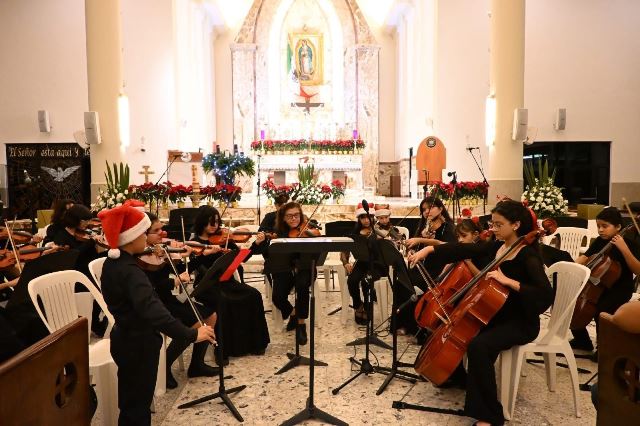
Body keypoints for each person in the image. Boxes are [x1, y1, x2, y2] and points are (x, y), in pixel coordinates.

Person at [408, 200, 553, 426]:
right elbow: (465, 249)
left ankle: (489, 415)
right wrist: (430, 249)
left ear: (515, 225)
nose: (493, 229)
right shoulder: (498, 247)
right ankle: (459, 378)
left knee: (479, 346)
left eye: (498, 225)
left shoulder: (528, 256)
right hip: (496, 314)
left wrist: (509, 281)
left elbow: (545, 294)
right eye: (492, 224)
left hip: (520, 322)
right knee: (461, 330)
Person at [99, 204, 215, 426]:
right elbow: (154, 311)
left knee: (133, 401)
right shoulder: (130, 272)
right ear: (131, 237)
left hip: (127, 337)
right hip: (138, 343)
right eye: (143, 233)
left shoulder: (115, 263)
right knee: (137, 406)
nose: (146, 238)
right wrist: (191, 334)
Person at [142, 212, 219, 389]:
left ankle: (197, 364)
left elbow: (181, 271)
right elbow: (153, 286)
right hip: (155, 303)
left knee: (210, 316)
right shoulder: (139, 257)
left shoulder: (158, 250)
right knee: (197, 324)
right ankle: (165, 365)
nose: (163, 234)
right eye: (156, 230)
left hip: (168, 299)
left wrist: (197, 256)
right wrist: (175, 281)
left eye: (162, 229)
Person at [188, 205, 270, 357]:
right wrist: (204, 254)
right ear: (202, 222)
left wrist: (256, 244)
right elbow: (191, 267)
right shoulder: (195, 242)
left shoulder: (224, 238)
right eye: (210, 222)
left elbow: (242, 257)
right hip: (206, 285)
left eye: (217, 221)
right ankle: (222, 349)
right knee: (222, 301)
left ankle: (256, 343)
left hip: (227, 281)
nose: (215, 225)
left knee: (254, 294)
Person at [570, 207, 640, 352]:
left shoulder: (630, 244)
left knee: (601, 310)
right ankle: (582, 341)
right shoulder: (599, 241)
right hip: (598, 285)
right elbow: (584, 257)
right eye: (598, 226)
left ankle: (604, 348)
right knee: (572, 302)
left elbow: (637, 270)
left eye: (605, 226)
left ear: (618, 227)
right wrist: (570, 266)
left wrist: (623, 248)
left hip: (619, 289)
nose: (600, 230)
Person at [266, 201, 318, 345]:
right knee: (277, 296)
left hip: (306, 267)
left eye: (297, 215)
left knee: (302, 286)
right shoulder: (279, 233)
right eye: (289, 216)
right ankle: (294, 313)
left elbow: (315, 250)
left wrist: (311, 237)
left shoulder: (307, 230)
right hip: (285, 268)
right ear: (283, 218)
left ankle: (301, 325)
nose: (294, 218)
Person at [340, 203, 387, 325]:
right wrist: (346, 263)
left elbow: (390, 246)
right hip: (362, 262)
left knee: (366, 281)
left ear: (373, 217)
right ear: (359, 219)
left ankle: (367, 308)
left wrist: (383, 239)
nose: (366, 220)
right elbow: (345, 250)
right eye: (363, 217)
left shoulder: (379, 230)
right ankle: (358, 305)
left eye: (369, 217)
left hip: (377, 264)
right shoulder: (355, 233)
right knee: (352, 280)